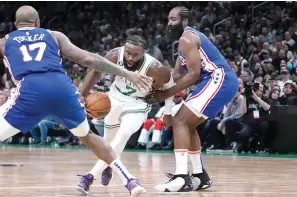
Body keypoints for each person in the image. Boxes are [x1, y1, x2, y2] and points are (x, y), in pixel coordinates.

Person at [0, 6, 152, 197]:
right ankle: (130, 180)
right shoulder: (54, 35)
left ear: (15, 25)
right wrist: (127, 73)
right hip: (63, 89)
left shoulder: (5, 42)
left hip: (31, 91)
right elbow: (88, 59)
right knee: (87, 135)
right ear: (37, 23)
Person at [145, 6, 239, 192]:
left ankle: (182, 178)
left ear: (185, 21)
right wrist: (163, 97)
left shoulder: (187, 38)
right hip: (217, 81)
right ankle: (199, 175)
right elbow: (177, 74)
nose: (169, 23)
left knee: (181, 120)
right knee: (187, 124)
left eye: (173, 19)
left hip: (218, 79)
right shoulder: (183, 43)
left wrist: (164, 95)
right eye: (168, 19)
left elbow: (194, 74)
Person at [76, 35, 173, 194]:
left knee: (123, 134)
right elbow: (95, 72)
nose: (130, 57)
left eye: (135, 54)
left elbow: (170, 88)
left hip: (138, 102)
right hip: (114, 98)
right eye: (128, 52)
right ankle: (108, 164)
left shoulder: (156, 68)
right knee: (107, 141)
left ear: (143, 53)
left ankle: (89, 177)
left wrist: (168, 112)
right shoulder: (115, 55)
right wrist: (83, 94)